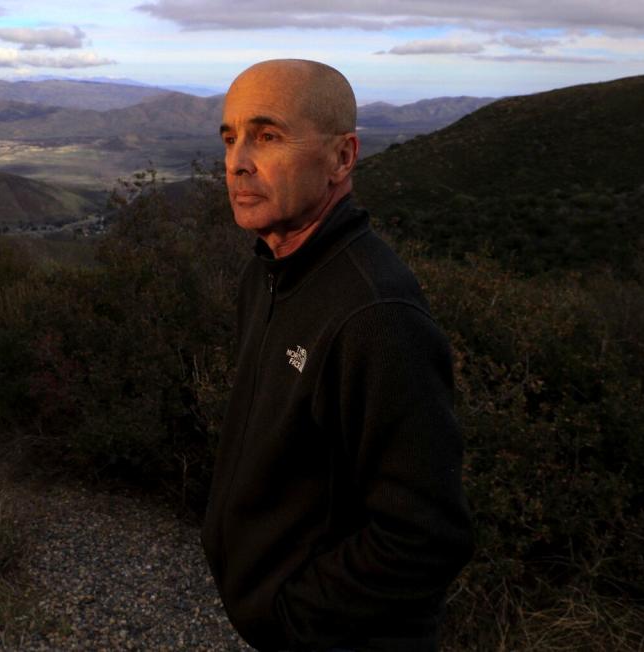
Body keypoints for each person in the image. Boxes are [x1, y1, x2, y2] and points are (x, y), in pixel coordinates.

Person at [201, 59, 474, 652]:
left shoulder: (376, 314)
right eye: (230, 137)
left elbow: (425, 535)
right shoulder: (268, 272)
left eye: (267, 136)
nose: (237, 161)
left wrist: (292, 618)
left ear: (342, 159)